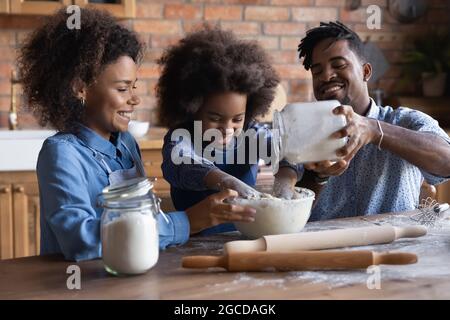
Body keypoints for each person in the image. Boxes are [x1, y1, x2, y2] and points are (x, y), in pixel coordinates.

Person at [17, 8, 243, 261]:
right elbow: (80, 241)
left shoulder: (126, 144)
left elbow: (142, 219)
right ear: (80, 88)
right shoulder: (62, 153)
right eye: (123, 88)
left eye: (133, 87)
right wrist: (186, 222)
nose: (135, 99)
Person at [294, 21, 450, 220]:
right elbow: (288, 210)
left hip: (393, 248)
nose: (326, 76)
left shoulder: (405, 121)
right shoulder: (301, 130)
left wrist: (374, 130)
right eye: (317, 71)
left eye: (339, 65)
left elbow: (447, 161)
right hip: (325, 249)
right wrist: (318, 176)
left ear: (366, 72)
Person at [157, 27, 303, 235]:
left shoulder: (251, 134)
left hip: (245, 236)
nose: (227, 129)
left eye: (237, 119)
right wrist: (224, 180)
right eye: (215, 118)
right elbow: (181, 162)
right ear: (192, 108)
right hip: (195, 242)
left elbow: (287, 148)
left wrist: (285, 181)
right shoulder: (181, 137)